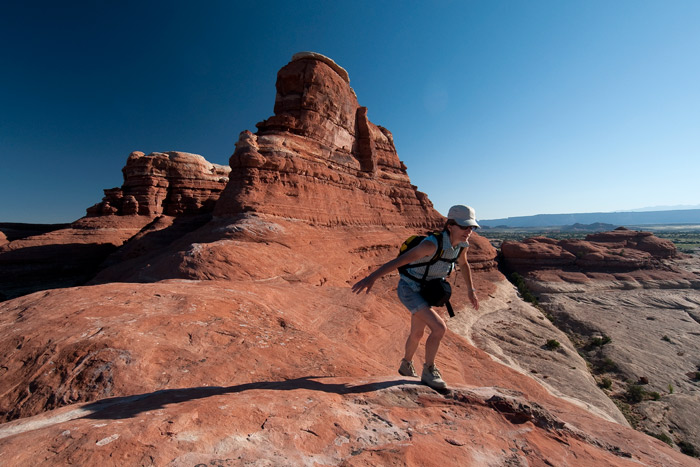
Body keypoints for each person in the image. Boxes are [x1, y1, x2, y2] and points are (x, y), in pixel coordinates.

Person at [352, 205, 480, 389]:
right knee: (438, 328)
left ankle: (406, 364)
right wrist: (371, 277)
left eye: (472, 227)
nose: (469, 231)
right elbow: (398, 262)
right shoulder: (430, 245)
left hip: (427, 291)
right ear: (451, 225)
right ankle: (429, 370)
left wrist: (471, 290)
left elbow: (464, 264)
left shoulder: (461, 246)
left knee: (417, 333)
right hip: (410, 290)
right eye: (465, 226)